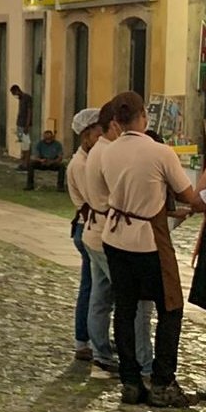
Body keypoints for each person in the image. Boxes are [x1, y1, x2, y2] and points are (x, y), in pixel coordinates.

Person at [99, 91, 206, 407]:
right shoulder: (160, 152)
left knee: (126, 308)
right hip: (148, 239)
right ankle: (161, 380)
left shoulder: (107, 152)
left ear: (117, 121)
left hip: (116, 237)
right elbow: (189, 196)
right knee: (170, 307)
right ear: (143, 116)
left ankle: (130, 381)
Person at [81, 101, 154, 383]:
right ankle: (136, 360)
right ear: (114, 125)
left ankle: (101, 351)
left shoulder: (97, 151)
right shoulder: (108, 152)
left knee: (101, 295)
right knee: (131, 301)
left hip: (96, 230)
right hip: (106, 234)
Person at [66, 108, 102, 362]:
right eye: (99, 133)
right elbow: (93, 198)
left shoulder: (89, 160)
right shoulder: (81, 164)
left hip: (87, 225)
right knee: (91, 287)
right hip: (86, 226)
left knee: (95, 286)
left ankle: (91, 336)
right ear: (87, 134)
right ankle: (83, 339)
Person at [10, 84, 33, 169]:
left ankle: (26, 163)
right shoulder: (20, 99)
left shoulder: (27, 98)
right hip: (19, 123)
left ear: (17, 90)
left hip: (24, 124)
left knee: (26, 144)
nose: (14, 95)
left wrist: (27, 125)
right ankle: (23, 162)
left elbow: (29, 111)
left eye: (14, 93)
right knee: (23, 144)